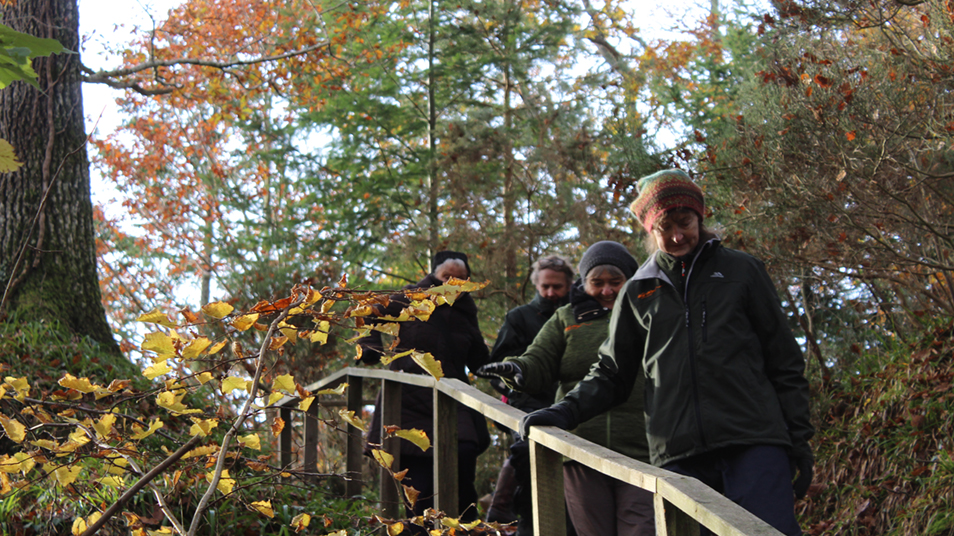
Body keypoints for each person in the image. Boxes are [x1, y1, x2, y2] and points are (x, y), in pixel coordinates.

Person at [520, 169, 814, 536]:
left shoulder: (743, 271)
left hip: (753, 442)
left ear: (700, 217)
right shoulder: (637, 290)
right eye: (664, 227)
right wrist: (564, 411)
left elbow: (784, 361)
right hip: (678, 456)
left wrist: (798, 440)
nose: (677, 235)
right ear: (649, 230)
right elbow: (612, 372)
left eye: (684, 222)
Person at [478, 241, 654, 536]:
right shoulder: (566, 318)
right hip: (581, 448)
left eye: (615, 282)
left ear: (630, 281)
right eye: (597, 283)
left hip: (642, 449)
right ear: (584, 283)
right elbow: (539, 360)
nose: (607, 291)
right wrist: (517, 370)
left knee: (642, 530)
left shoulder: (650, 315)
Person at [358, 250, 490, 525]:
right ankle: (418, 529)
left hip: (452, 396)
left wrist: (502, 368)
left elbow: (478, 357)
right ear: (433, 277)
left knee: (464, 453)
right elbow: (370, 307)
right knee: (418, 482)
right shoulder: (408, 298)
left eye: (462, 279)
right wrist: (370, 348)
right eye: (447, 277)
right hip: (407, 400)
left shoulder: (466, 310)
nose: (455, 284)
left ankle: (462, 525)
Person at [483, 255, 574, 533]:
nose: (551, 293)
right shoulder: (519, 317)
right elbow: (497, 365)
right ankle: (506, 509)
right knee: (528, 460)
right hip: (528, 406)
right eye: (545, 286)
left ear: (569, 284)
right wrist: (518, 398)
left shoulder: (578, 315)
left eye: (557, 286)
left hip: (569, 404)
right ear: (536, 284)